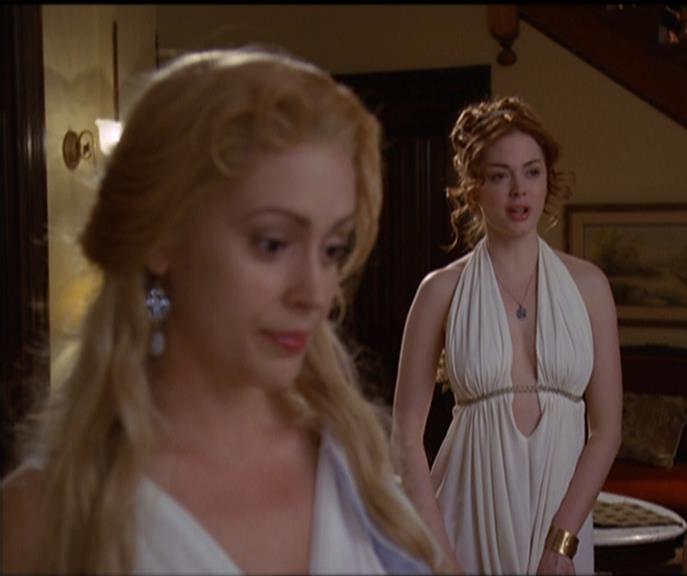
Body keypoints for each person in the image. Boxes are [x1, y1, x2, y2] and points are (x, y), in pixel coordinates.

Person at [1, 48, 450, 575]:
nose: (315, 293)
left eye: (332, 249)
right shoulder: (47, 516)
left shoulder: (358, 473)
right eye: (272, 243)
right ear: (162, 238)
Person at [391, 96, 623, 575]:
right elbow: (405, 436)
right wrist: (440, 554)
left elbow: (607, 431)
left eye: (531, 172)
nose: (519, 190)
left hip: (560, 529)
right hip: (463, 522)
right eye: (499, 176)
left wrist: (563, 541)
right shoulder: (440, 291)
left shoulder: (590, 287)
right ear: (474, 187)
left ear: (548, 179)